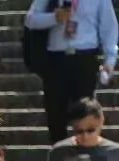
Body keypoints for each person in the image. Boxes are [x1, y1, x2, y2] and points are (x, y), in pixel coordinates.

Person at [25, 0, 118, 144]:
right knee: (55, 115)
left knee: (85, 113)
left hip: (85, 58)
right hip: (56, 60)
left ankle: (85, 155)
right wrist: (54, 17)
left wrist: (110, 59)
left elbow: (109, 27)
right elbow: (30, 20)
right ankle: (59, 155)